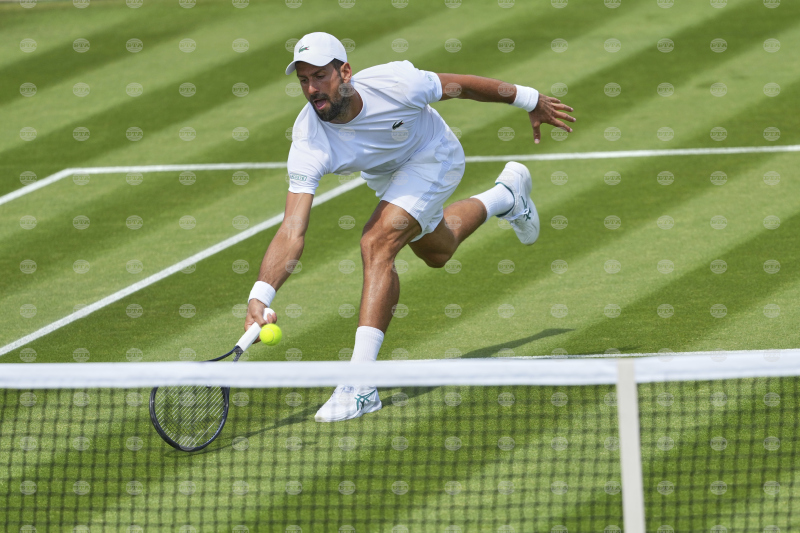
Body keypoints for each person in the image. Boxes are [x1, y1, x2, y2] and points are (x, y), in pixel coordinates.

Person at [245, 32, 576, 422]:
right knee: (438, 251)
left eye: (320, 76)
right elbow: (291, 230)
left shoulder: (396, 83)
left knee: (376, 242)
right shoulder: (308, 142)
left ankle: (360, 385)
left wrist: (530, 99)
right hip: (387, 176)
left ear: (345, 72)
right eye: (304, 80)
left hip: (433, 156)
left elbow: (463, 86)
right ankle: (506, 196)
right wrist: (260, 295)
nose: (312, 89)